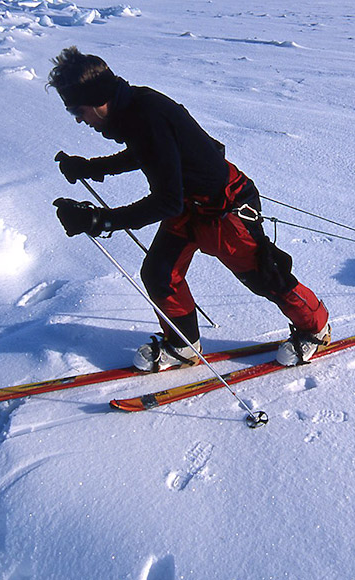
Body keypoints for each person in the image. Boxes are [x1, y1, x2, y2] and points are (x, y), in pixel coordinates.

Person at [47, 47, 330, 371]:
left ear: (97, 100)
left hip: (225, 208)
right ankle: (182, 346)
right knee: (159, 273)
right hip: (189, 206)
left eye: (77, 110)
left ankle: (316, 328)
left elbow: (167, 200)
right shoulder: (133, 110)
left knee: (267, 277)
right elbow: (148, 153)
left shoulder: (145, 114)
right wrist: (90, 168)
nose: (79, 120)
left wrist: (101, 220)